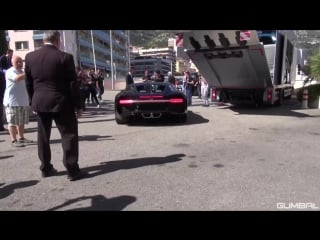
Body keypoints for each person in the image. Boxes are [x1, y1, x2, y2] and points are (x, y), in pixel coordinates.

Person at [24, 30, 88, 181]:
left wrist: (32, 101)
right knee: (68, 135)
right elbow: (73, 84)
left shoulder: (30, 57)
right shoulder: (65, 57)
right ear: (58, 40)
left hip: (40, 102)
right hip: (61, 102)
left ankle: (46, 168)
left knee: (43, 137)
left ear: (43, 40)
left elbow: (28, 83)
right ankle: (72, 170)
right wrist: (78, 106)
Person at [3, 55, 34, 147]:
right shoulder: (10, 71)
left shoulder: (23, 71)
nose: (20, 63)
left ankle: (21, 138)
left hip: (22, 101)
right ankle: (13, 140)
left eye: (21, 61)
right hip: (12, 101)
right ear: (12, 63)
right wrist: (27, 73)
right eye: (17, 62)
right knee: (12, 122)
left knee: (21, 121)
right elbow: (16, 79)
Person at [0, 49, 14, 131]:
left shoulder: (10, 59)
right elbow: (2, 68)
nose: (11, 55)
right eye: (10, 54)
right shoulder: (2, 58)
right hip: (4, 74)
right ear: (7, 53)